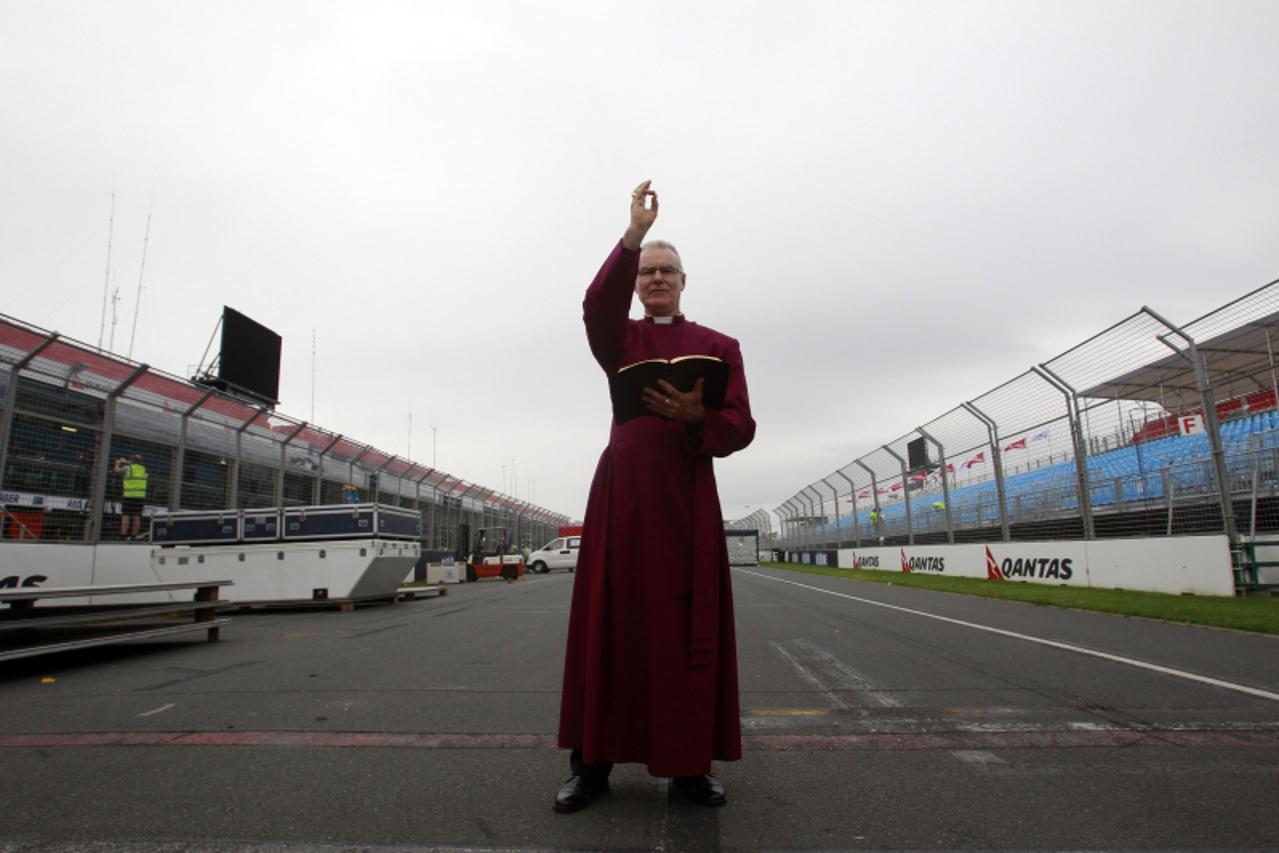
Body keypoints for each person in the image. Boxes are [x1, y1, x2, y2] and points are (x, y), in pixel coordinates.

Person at [555, 181, 756, 813]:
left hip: (686, 497)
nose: (658, 278)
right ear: (637, 283)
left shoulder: (721, 346)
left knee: (684, 629)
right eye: (648, 272)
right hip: (623, 498)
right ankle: (591, 766)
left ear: (684, 280)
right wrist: (631, 236)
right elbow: (594, 306)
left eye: (667, 270)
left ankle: (689, 767)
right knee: (608, 624)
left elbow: (741, 428)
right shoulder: (620, 342)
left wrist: (699, 416)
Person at [112, 453, 148, 540]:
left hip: (128, 495)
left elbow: (116, 471)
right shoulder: (143, 469)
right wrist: (126, 462)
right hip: (140, 496)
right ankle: (134, 535)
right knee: (137, 516)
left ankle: (123, 535)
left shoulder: (127, 468)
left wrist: (117, 463)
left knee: (126, 515)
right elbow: (134, 464)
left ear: (131, 460)